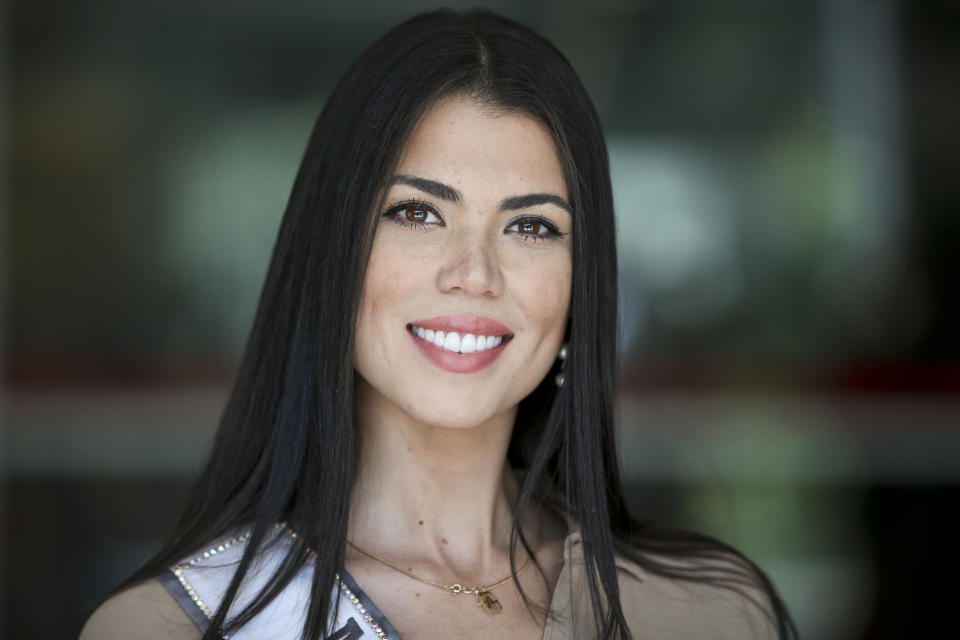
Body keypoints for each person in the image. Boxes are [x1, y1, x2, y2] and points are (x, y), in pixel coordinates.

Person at [81, 8, 796, 640]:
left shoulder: (712, 613)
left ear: (584, 283)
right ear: (331, 253)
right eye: (417, 213)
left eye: (531, 226)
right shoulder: (173, 626)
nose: (474, 273)